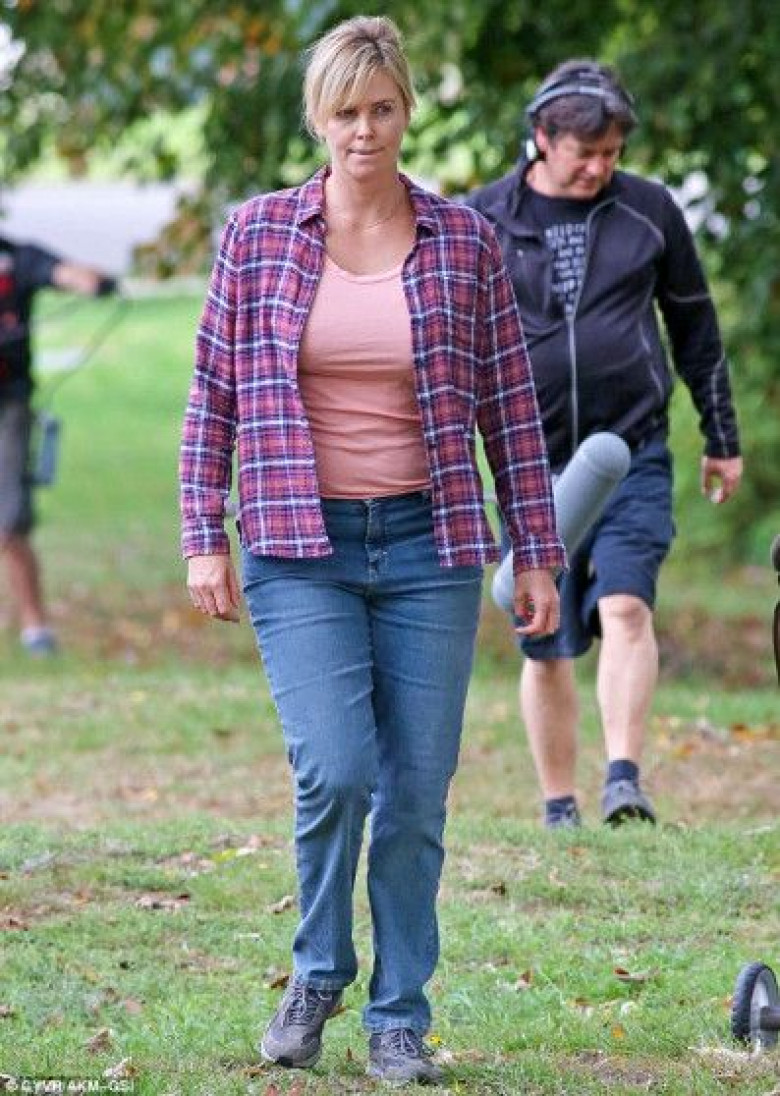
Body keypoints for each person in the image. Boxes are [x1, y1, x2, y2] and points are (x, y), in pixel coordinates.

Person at [181, 14, 564, 1086]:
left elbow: (509, 407)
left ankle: (400, 1016)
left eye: (382, 109)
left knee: (417, 791)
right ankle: (318, 972)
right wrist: (203, 535)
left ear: (405, 112)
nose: (365, 130)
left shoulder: (463, 240)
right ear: (319, 118)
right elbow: (212, 395)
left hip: (429, 544)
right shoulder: (258, 234)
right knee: (337, 770)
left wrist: (535, 546)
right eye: (346, 111)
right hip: (299, 546)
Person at [467, 60, 743, 829]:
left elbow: (695, 326)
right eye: (584, 152)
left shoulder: (649, 211)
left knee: (626, 603)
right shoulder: (483, 219)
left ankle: (624, 779)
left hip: (632, 450)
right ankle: (560, 803)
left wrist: (721, 436)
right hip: (529, 465)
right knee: (546, 640)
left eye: (612, 153)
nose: (599, 167)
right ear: (541, 136)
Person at [0, 235, 117, 656]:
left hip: (8, 406)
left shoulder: (15, 259)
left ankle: (35, 628)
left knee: (8, 521)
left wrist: (95, 283)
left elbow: (66, 273)